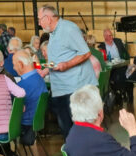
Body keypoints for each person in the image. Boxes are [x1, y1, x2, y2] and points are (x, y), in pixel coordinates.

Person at [38, 5, 96, 135]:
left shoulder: (68, 29)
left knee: (78, 130)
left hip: (75, 88)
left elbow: (86, 53)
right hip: (61, 88)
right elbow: (58, 58)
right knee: (66, 129)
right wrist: (45, 71)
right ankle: (71, 148)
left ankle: (79, 148)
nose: (39, 23)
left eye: (39, 19)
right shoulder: (53, 33)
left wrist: (67, 65)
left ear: (48, 18)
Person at [11, 50, 48, 146]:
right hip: (35, 123)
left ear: (21, 64)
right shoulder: (39, 78)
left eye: (14, 65)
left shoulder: (21, 86)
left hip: (24, 126)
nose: (14, 68)